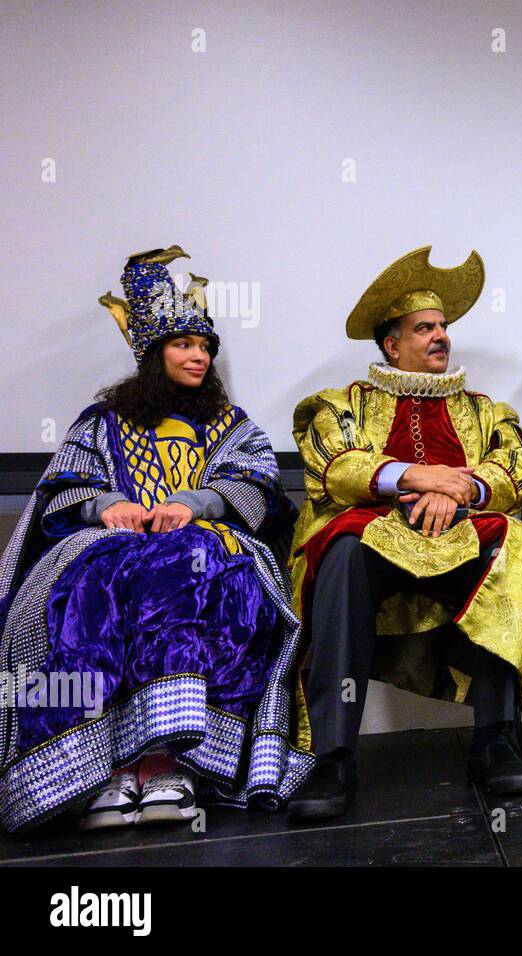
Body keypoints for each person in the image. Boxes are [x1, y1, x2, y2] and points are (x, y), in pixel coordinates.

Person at [0, 246, 309, 834]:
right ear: (151, 353)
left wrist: (193, 503)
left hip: (208, 539)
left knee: (186, 569)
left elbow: (257, 481)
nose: (199, 356)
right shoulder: (102, 421)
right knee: (92, 587)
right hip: (109, 542)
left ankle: (172, 764)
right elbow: (59, 489)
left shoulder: (230, 422)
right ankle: (110, 768)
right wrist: (104, 504)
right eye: (184, 345)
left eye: (204, 346)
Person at [286, 247, 522, 820]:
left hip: (461, 529)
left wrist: (457, 488)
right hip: (376, 532)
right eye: (424, 328)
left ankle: (495, 738)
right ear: (391, 344)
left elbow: (514, 467)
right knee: (342, 551)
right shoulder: (344, 404)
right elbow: (334, 465)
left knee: (516, 547)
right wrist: (411, 475)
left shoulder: (484, 410)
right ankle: (333, 756)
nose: (441, 337)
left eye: (444, 327)